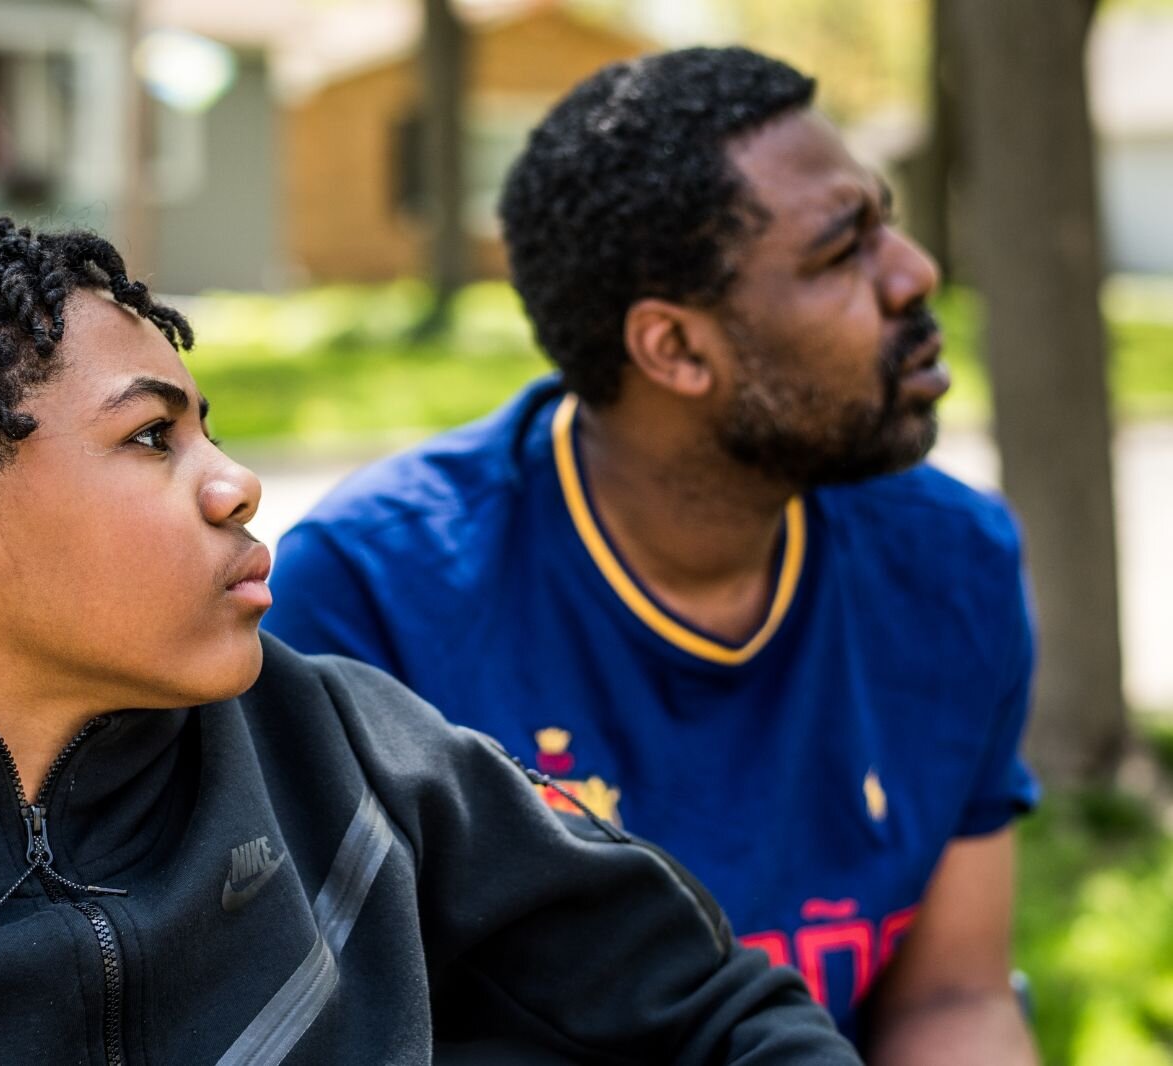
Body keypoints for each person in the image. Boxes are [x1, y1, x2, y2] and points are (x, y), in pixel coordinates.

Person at [0, 218, 860, 1065]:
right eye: (151, 438)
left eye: (211, 430)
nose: (235, 483)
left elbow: (719, 1021)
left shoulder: (356, 762)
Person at [264, 47, 1040, 1063]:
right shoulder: (374, 601)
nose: (914, 271)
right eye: (842, 249)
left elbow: (951, 999)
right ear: (673, 349)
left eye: (884, 220)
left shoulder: (951, 561)